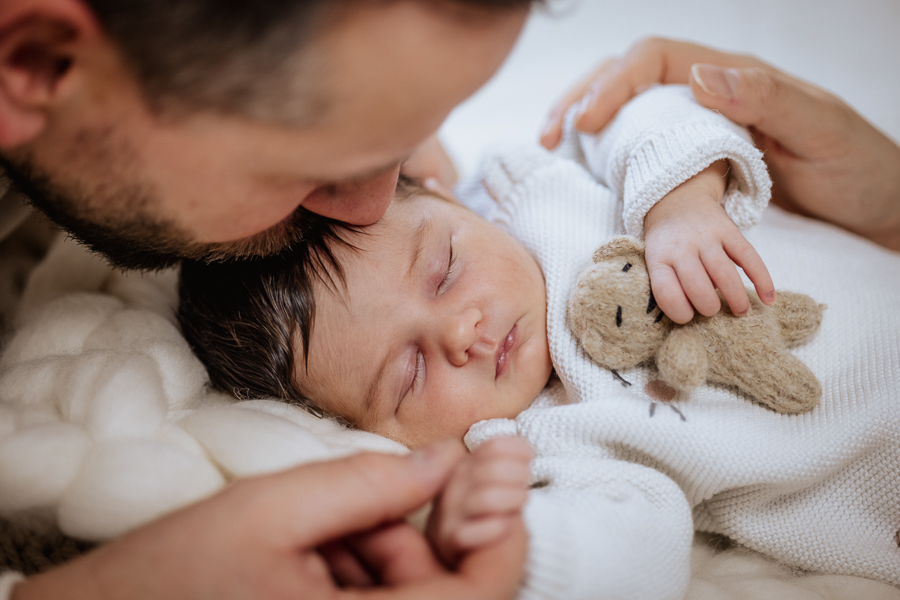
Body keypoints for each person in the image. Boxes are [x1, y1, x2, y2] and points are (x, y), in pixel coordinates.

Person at [177, 83, 900, 598]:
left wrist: (680, 200)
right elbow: (637, 551)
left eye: (443, 271)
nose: (461, 332)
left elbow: (636, 103)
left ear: (451, 199)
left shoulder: (539, 188)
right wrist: (509, 548)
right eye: (409, 373)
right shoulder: (540, 443)